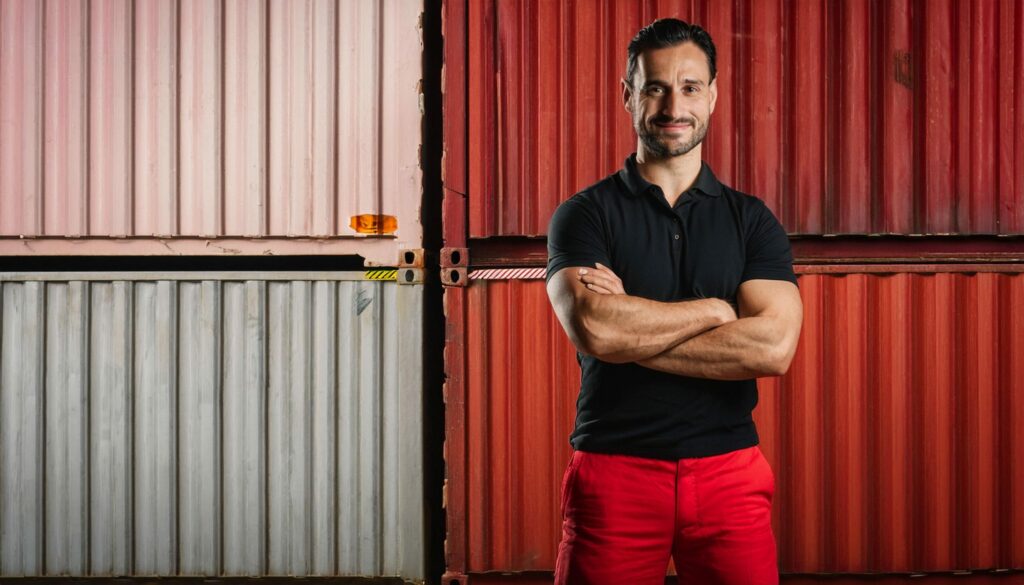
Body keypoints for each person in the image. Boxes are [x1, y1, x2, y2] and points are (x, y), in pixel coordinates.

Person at [545, 18, 803, 585]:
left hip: (728, 472)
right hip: (614, 472)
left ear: (712, 94)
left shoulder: (752, 220)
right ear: (628, 93)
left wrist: (630, 328)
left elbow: (773, 346)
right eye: (655, 86)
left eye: (689, 87)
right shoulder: (584, 214)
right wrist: (715, 312)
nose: (672, 105)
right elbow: (595, 330)